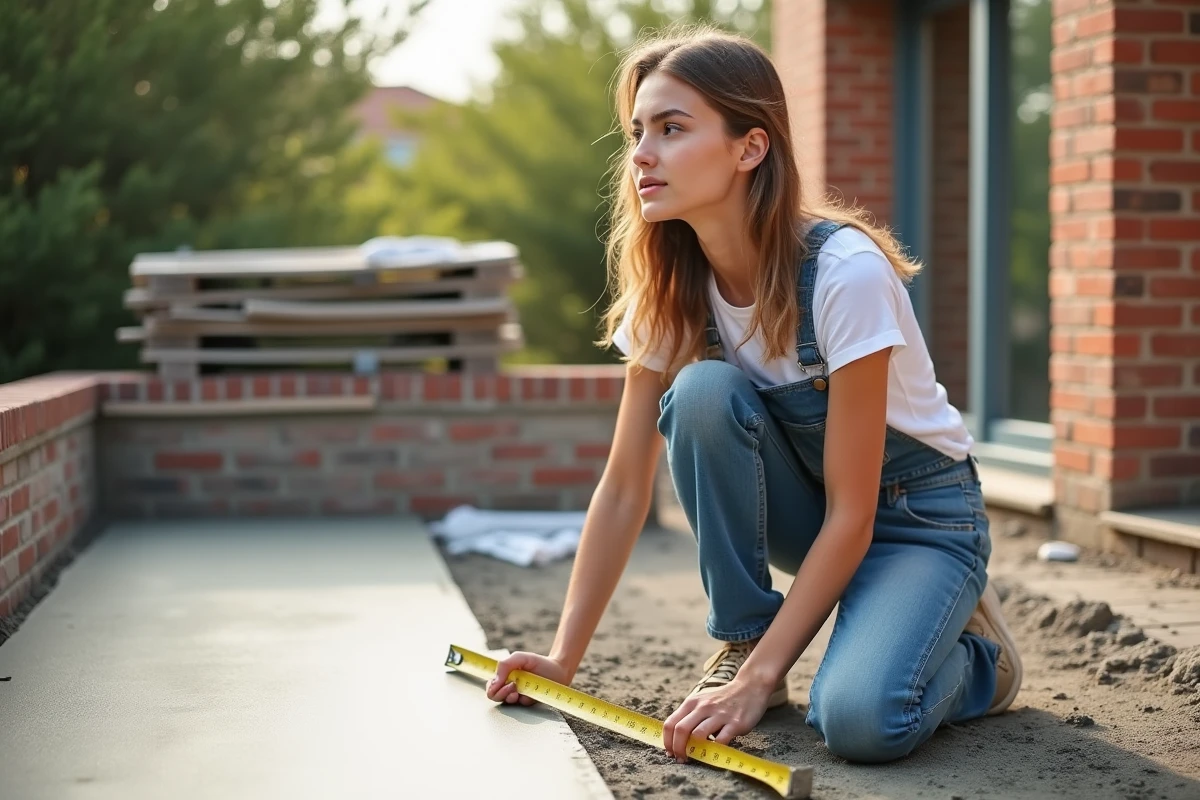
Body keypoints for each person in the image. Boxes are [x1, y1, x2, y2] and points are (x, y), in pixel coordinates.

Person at [484, 24, 1023, 765]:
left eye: (672, 129)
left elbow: (856, 510)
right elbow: (621, 489)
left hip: (915, 518)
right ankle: (740, 644)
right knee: (702, 393)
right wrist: (562, 660)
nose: (641, 153)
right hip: (816, 512)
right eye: (638, 130)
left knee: (860, 721)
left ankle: (975, 661)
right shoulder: (672, 289)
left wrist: (782, 661)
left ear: (750, 147)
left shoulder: (845, 275)